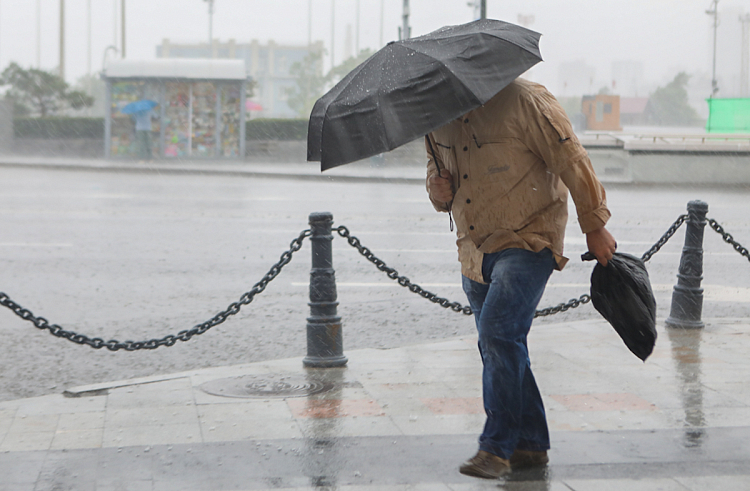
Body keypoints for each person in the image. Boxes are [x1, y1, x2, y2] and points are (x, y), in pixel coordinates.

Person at [425, 78, 617, 479]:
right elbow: (437, 183)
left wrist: (594, 224)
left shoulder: (525, 100)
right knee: (502, 344)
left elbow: (571, 157)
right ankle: (530, 443)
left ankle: (496, 448)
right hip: (474, 248)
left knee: (497, 335)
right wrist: (437, 190)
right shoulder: (435, 116)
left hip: (530, 236)